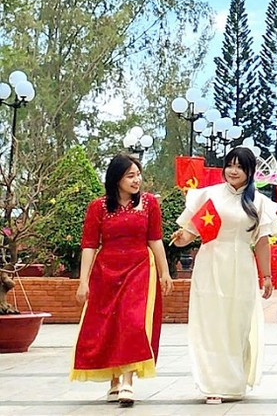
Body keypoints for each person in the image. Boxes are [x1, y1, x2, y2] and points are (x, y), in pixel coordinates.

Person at [171, 147, 277, 405]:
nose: (233, 171)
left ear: (249, 171)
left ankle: (234, 381)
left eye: (240, 167)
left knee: (237, 324)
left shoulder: (259, 202)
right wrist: (181, 238)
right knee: (212, 323)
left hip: (241, 264)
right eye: (230, 165)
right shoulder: (208, 195)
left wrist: (266, 276)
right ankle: (213, 384)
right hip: (211, 263)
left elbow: (261, 242)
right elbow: (191, 230)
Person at [71, 154, 173, 408]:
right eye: (130, 175)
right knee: (110, 325)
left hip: (139, 269)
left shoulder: (149, 203)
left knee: (133, 322)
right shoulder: (98, 207)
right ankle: (114, 382)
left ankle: (128, 381)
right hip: (105, 272)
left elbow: (155, 239)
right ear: (116, 178)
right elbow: (89, 245)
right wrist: (83, 281)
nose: (136, 180)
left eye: (138, 174)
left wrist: (164, 271)